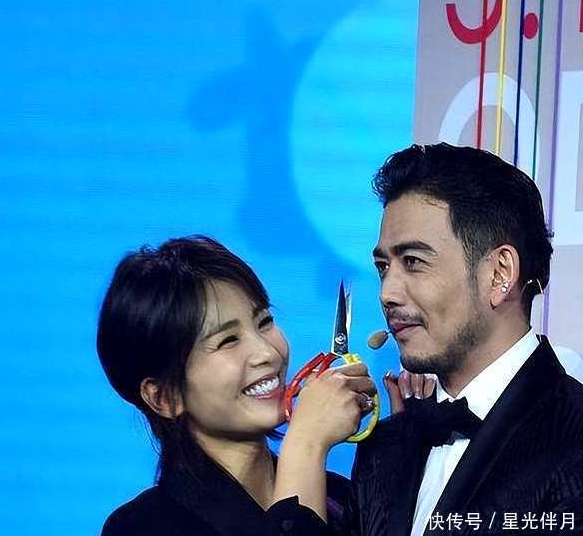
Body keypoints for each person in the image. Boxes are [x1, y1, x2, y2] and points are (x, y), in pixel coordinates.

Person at [347, 143, 583, 535]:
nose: (387, 293)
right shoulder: (381, 449)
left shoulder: (573, 439)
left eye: (413, 262)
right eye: (384, 267)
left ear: (499, 274)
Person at [96, 235, 375, 536]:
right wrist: (305, 444)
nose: (267, 353)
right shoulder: (139, 527)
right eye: (228, 340)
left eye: (264, 322)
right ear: (165, 397)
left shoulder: (339, 497)